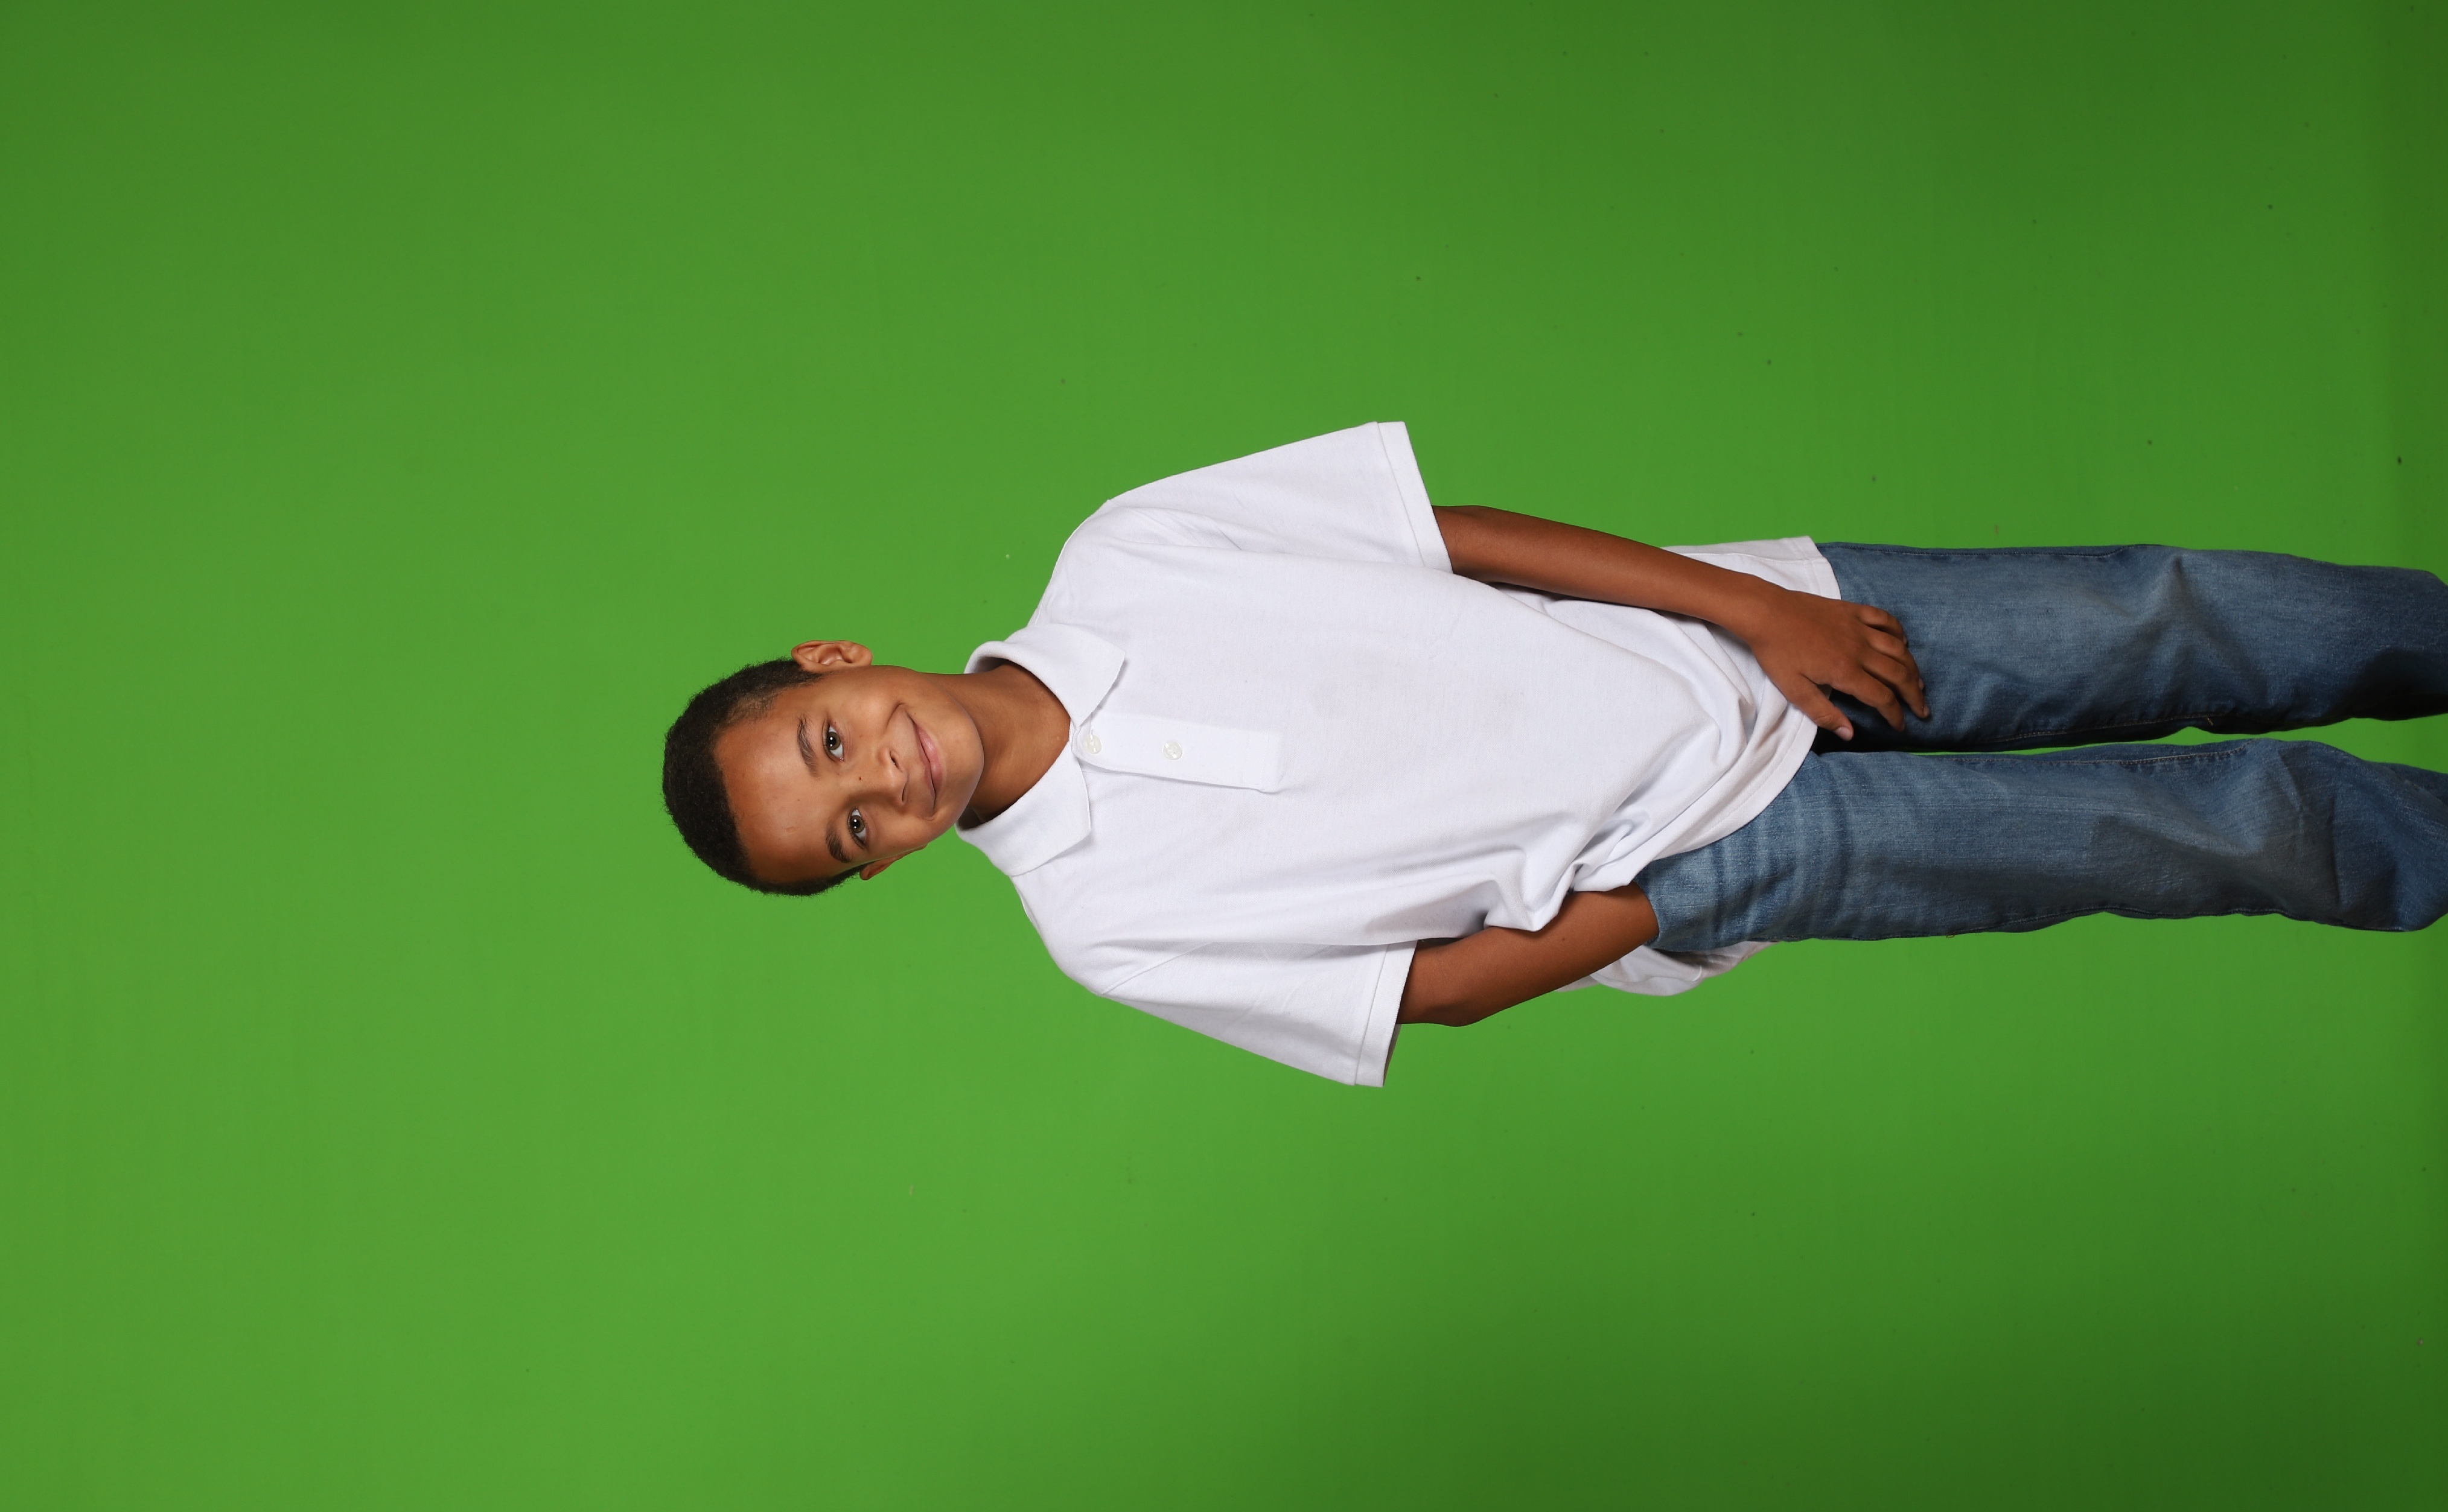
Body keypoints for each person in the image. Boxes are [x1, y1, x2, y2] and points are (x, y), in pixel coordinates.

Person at [661, 424, 2448, 1084]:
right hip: (1723, 854)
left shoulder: (1129, 550)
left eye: (831, 742)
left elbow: (1454, 538)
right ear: (879, 868)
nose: (883, 782)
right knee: (2201, 829)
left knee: (2163, 616)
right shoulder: (1102, 924)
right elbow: (1418, 996)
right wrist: (1680, 895)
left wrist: (1754, 609)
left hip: (1756, 627)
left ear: (837, 659)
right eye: (851, 831)